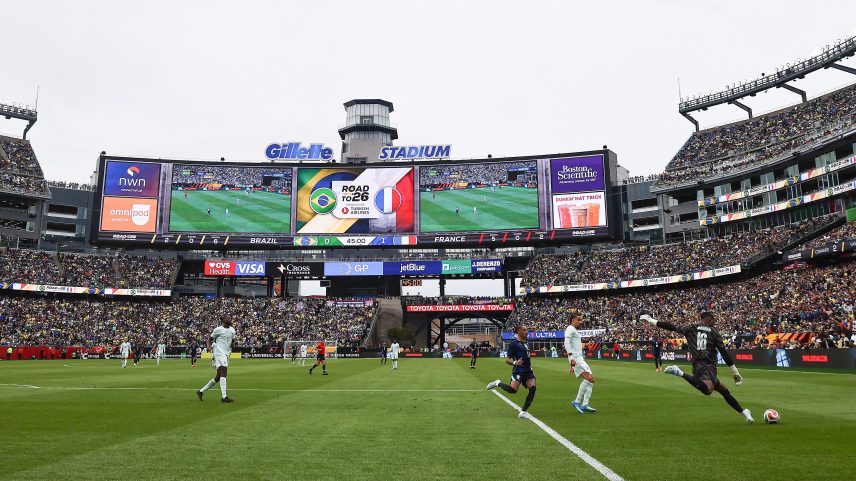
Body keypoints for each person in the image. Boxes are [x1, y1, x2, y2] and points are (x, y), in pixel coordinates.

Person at [640, 312, 753, 423]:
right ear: (709, 319)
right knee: (708, 390)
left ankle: (745, 413)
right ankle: (679, 372)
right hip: (708, 366)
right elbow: (723, 352)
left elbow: (671, 326)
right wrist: (735, 372)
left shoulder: (690, 327)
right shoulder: (713, 332)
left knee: (724, 391)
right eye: (713, 321)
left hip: (697, 366)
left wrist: (651, 320)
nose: (714, 323)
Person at [486, 325, 537, 419]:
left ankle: (523, 412)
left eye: (527, 330)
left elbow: (528, 358)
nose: (526, 332)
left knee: (533, 388)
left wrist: (530, 366)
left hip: (528, 370)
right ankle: (497, 383)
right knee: (512, 390)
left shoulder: (527, 343)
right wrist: (515, 362)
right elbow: (507, 360)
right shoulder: (514, 344)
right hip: (518, 370)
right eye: (524, 330)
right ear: (518, 331)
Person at [197, 319, 236, 403]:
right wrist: (209, 347)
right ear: (224, 322)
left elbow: (233, 340)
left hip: (226, 353)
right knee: (224, 372)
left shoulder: (232, 330)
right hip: (218, 352)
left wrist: (230, 348)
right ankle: (224, 397)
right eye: (228, 319)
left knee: (218, 377)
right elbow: (209, 339)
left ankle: (201, 391)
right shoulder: (218, 329)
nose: (230, 320)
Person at [565, 314, 596, 414]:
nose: (581, 322)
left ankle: (585, 404)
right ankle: (577, 402)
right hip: (576, 358)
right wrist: (571, 358)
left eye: (581, 320)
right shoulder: (570, 329)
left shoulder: (574, 330)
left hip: (579, 358)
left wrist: (571, 364)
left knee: (591, 380)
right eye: (579, 320)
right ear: (573, 320)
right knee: (589, 378)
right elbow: (566, 343)